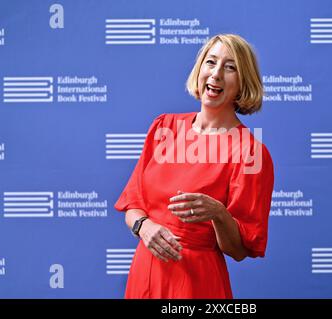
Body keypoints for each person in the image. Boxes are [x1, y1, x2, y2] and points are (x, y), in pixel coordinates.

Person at [114, 34, 274, 299]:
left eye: (230, 67)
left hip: (196, 282)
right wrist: (144, 227)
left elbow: (238, 250)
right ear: (200, 69)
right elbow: (132, 204)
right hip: (145, 272)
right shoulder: (164, 127)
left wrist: (219, 214)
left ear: (243, 82)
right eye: (211, 62)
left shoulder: (250, 152)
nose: (216, 74)